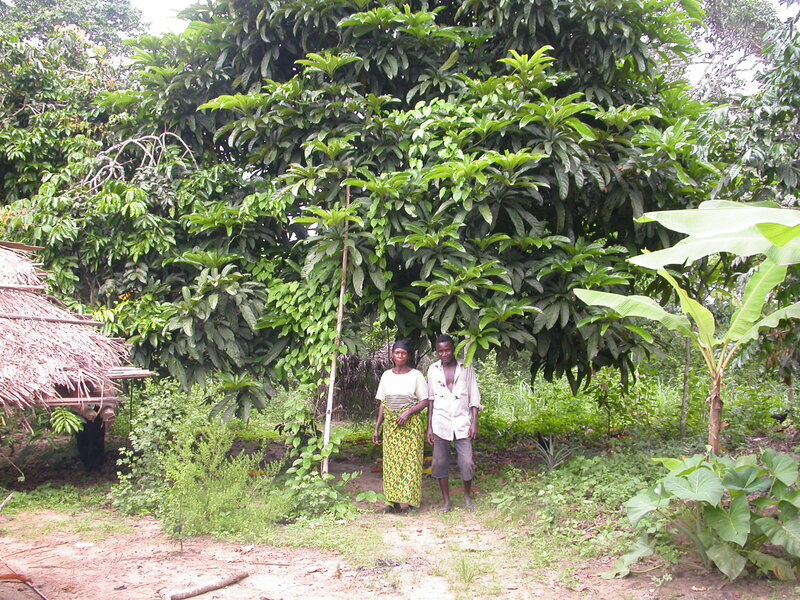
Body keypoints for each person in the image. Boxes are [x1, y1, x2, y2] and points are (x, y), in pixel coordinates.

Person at [373, 339, 430, 513]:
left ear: (408, 356)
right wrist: (377, 428)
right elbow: (383, 403)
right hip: (391, 427)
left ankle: (411, 503)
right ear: (392, 355)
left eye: (403, 353)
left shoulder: (416, 375)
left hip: (411, 426)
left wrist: (408, 413)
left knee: (411, 463)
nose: (400, 356)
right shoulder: (386, 376)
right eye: (397, 353)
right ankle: (393, 503)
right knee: (391, 465)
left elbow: (425, 401)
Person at [427, 335, 482, 512]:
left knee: (467, 462)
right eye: (440, 351)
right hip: (440, 422)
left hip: (462, 422)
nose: (444, 354)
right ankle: (446, 501)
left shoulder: (465, 367)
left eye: (447, 350)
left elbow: (474, 395)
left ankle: (467, 496)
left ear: (453, 349)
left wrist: (474, 423)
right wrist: (429, 427)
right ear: (437, 352)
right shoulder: (433, 370)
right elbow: (431, 399)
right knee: (439, 463)